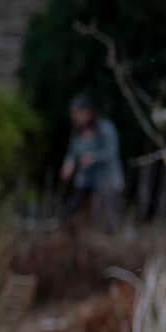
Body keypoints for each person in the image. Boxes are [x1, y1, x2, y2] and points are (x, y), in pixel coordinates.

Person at [59, 95, 123, 231]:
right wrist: (68, 163)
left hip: (107, 182)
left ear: (88, 113)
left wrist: (94, 157)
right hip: (85, 181)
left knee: (107, 223)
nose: (74, 117)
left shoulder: (105, 129)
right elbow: (72, 152)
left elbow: (112, 152)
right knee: (76, 215)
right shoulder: (77, 132)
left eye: (77, 113)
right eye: (72, 113)